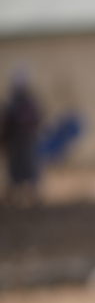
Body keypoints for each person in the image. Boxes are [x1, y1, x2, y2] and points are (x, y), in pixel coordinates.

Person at [0, 69, 43, 206]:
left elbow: (36, 119)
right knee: (16, 169)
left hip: (27, 140)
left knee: (29, 167)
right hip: (16, 141)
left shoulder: (29, 103)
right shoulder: (12, 103)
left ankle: (32, 195)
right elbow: (7, 123)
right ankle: (15, 196)